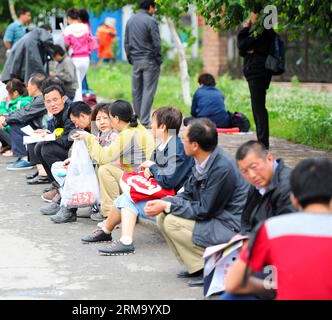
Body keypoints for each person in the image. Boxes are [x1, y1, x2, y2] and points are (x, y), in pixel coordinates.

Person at [144, 118, 249, 287]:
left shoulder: (222, 168)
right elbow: (189, 192)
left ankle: (211, 268)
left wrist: (169, 205)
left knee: (171, 221)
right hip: (216, 216)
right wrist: (166, 202)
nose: (181, 142)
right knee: (163, 216)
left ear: (195, 146)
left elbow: (204, 210)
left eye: (184, 139)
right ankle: (196, 267)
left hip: (231, 225)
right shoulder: (203, 158)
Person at [81, 107, 194, 255]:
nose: (151, 126)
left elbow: (168, 181)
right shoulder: (166, 143)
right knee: (125, 198)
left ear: (163, 127)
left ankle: (124, 241)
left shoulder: (175, 148)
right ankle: (106, 232)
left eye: (153, 122)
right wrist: (151, 169)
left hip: (173, 200)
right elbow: (154, 171)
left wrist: (152, 167)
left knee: (128, 200)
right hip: (163, 192)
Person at [225, 157, 332, 300]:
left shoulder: (271, 229)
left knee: (232, 297)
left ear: (293, 198)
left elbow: (232, 283)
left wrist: (272, 288)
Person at [71, 100, 155, 222]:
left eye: (108, 117)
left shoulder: (127, 134)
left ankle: (112, 214)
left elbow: (103, 157)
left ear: (116, 118)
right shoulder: (135, 127)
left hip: (140, 180)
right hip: (141, 176)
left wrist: (88, 137)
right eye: (99, 119)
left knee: (105, 169)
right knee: (104, 167)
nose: (105, 121)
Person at [236, 140, 296, 234]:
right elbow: (246, 220)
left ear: (269, 159)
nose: (252, 175)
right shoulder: (258, 184)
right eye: (244, 171)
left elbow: (286, 232)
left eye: (254, 167)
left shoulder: (288, 187)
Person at [237, 5, 275, 149]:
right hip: (261, 72)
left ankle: (263, 142)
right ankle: (262, 140)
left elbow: (241, 44)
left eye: (252, 13)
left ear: (256, 15)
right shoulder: (266, 30)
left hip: (257, 72)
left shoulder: (260, 30)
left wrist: (247, 29)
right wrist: (248, 49)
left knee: (258, 107)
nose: (250, 16)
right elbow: (242, 48)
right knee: (259, 106)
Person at [0, 74, 47, 170]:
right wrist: (5, 116)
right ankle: (23, 156)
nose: (27, 88)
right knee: (13, 121)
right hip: (39, 128)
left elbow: (23, 114)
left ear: (34, 86)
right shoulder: (37, 99)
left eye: (28, 85)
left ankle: (26, 158)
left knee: (15, 123)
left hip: (44, 130)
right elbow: (23, 112)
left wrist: (5, 120)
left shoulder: (41, 99)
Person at [124, 0, 162, 128]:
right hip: (150, 60)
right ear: (150, 7)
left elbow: (126, 42)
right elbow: (156, 42)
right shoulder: (151, 21)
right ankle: (144, 121)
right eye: (154, 7)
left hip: (136, 60)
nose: (155, 10)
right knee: (148, 90)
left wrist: (130, 58)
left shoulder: (130, 20)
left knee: (136, 90)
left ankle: (139, 118)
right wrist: (158, 58)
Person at [31, 84, 75, 188]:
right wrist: (46, 133)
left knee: (47, 149)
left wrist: (50, 137)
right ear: (45, 104)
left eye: (55, 100)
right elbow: (58, 132)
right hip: (68, 148)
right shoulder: (57, 113)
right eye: (48, 101)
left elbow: (67, 140)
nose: (52, 104)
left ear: (63, 99)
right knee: (39, 147)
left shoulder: (71, 112)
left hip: (76, 151)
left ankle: (65, 185)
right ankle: (55, 184)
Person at [0, 78, 33, 156]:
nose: (7, 95)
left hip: (22, 132)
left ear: (15, 93)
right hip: (19, 130)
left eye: (9, 93)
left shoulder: (21, 103)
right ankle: (7, 146)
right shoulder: (18, 101)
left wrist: (2, 104)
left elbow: (9, 116)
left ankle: (13, 148)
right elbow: (6, 114)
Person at [63, 8, 95, 102]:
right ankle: (78, 102)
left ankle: (78, 104)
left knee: (76, 84)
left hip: (75, 59)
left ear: (69, 18)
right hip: (85, 59)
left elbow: (67, 44)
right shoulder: (85, 27)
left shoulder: (68, 29)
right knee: (79, 82)